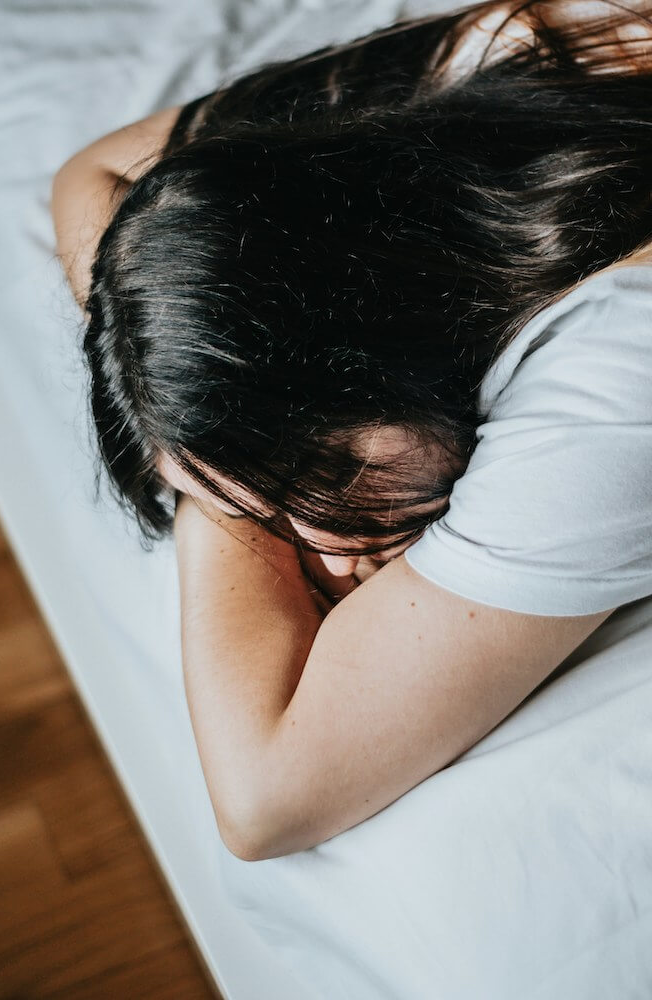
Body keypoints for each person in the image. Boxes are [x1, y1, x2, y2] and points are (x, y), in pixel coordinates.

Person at [51, 0, 652, 860]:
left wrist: (215, 487)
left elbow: (265, 802)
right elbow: (93, 173)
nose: (330, 558)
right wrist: (196, 407)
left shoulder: (624, 359)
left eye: (330, 477)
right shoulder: (507, 57)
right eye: (283, 514)